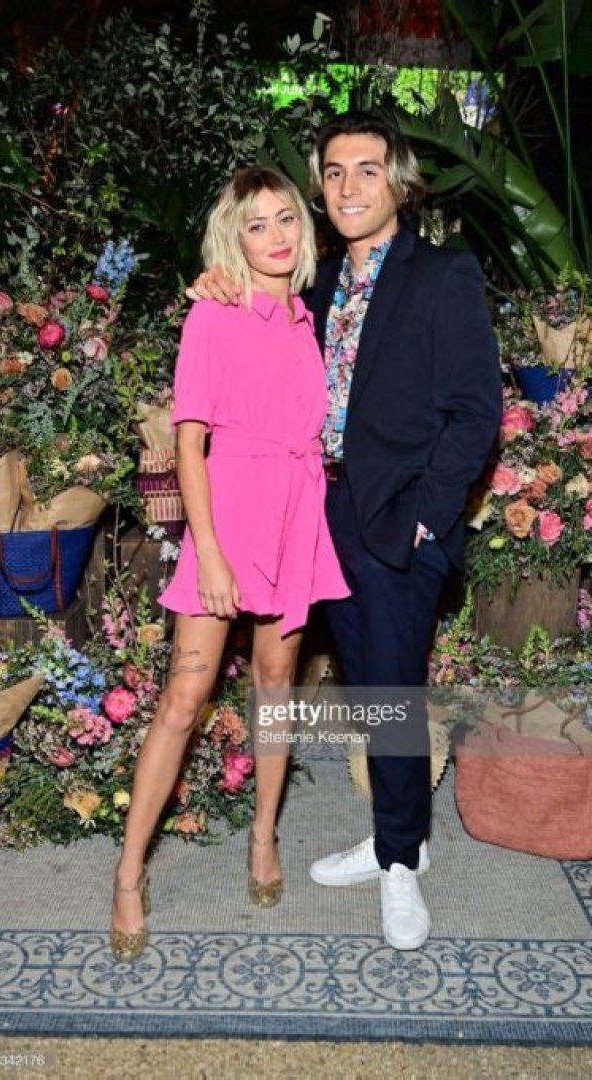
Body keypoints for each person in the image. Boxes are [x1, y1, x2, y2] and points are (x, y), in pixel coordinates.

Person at [191, 112, 502, 951]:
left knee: (394, 690)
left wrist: (429, 517)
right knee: (367, 684)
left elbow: (477, 412)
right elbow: (249, 323)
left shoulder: (444, 275)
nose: (349, 186)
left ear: (398, 180)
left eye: (367, 169)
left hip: (400, 520)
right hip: (315, 514)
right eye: (333, 173)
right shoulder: (315, 283)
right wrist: (216, 284)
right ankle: (401, 834)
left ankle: (399, 862)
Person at [110, 166, 349, 963]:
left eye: (286, 219)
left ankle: (262, 837)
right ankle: (128, 875)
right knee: (184, 697)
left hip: (295, 517)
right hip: (228, 518)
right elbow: (189, 443)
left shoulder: (308, 318)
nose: (276, 236)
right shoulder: (213, 314)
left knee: (276, 690)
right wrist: (209, 553)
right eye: (257, 224)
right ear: (234, 238)